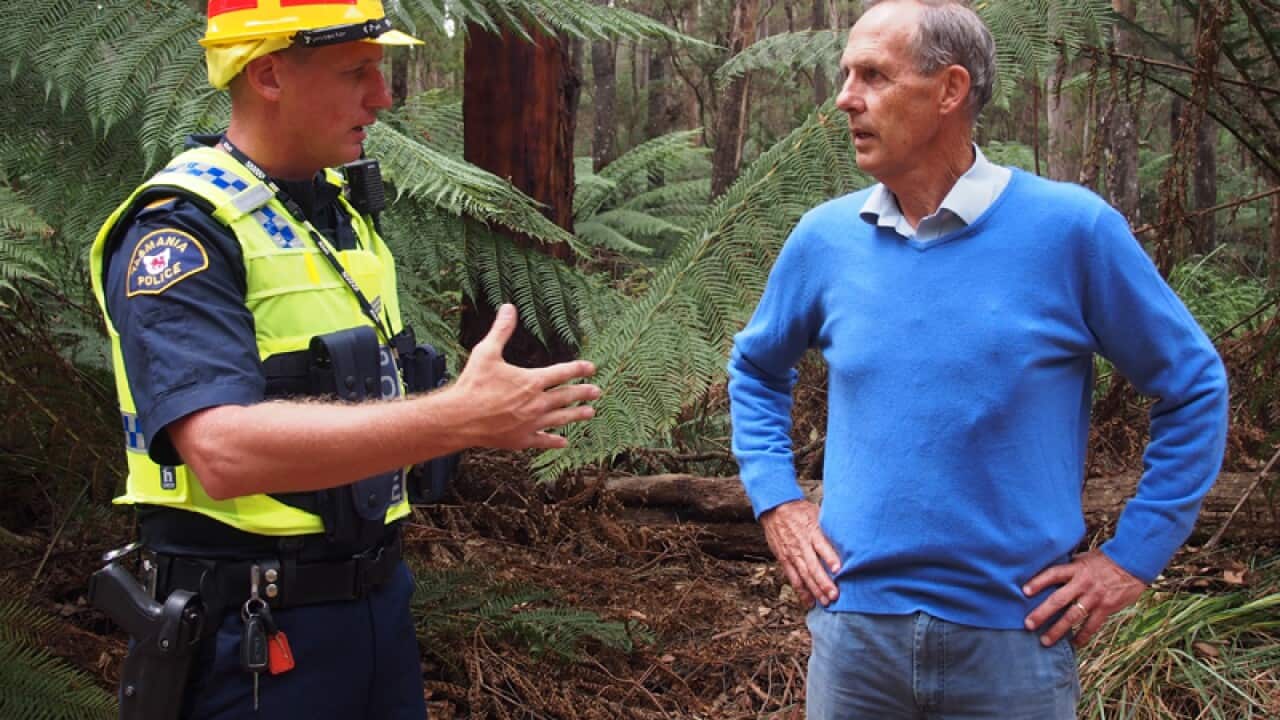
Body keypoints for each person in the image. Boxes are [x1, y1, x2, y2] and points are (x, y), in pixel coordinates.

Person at [88, 2, 600, 718]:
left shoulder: (338, 213)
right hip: (253, 635)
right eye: (356, 71)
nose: (382, 96)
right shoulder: (182, 231)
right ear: (268, 75)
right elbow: (222, 451)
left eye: (381, 70)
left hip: (374, 612)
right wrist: (456, 417)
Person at [726, 1, 1229, 718]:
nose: (845, 98)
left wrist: (1130, 559)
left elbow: (1193, 385)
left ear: (950, 90)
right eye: (846, 74)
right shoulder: (824, 239)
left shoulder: (1071, 231)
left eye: (873, 75)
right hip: (854, 638)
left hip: (1016, 644)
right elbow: (755, 368)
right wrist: (778, 500)